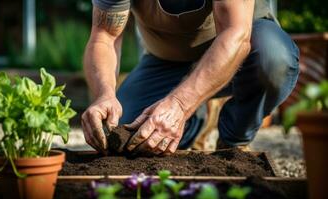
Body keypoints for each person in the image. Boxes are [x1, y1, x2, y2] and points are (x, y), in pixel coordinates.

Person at [81, 0, 299, 155]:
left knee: (274, 59)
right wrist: (104, 94)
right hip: (167, 64)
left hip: (242, 54)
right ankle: (195, 122)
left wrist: (180, 104)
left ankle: (235, 139)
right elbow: (104, 38)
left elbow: (236, 35)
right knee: (128, 137)